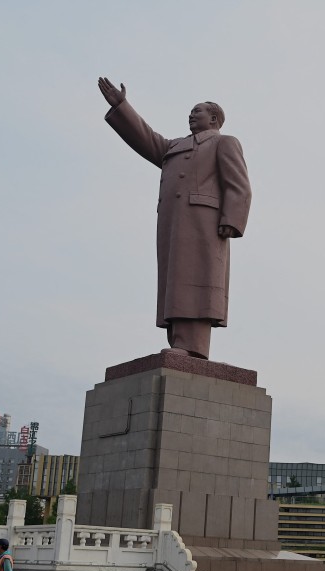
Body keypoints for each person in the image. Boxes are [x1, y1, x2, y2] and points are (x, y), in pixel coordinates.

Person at [98, 77, 252, 360]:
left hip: (204, 224)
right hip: (174, 223)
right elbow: (147, 138)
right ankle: (179, 340)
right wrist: (122, 106)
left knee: (198, 281)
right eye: (191, 111)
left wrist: (232, 219)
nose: (191, 115)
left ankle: (193, 345)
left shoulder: (224, 142)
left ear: (214, 117)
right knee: (177, 283)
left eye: (198, 111)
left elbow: (239, 185)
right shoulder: (176, 146)